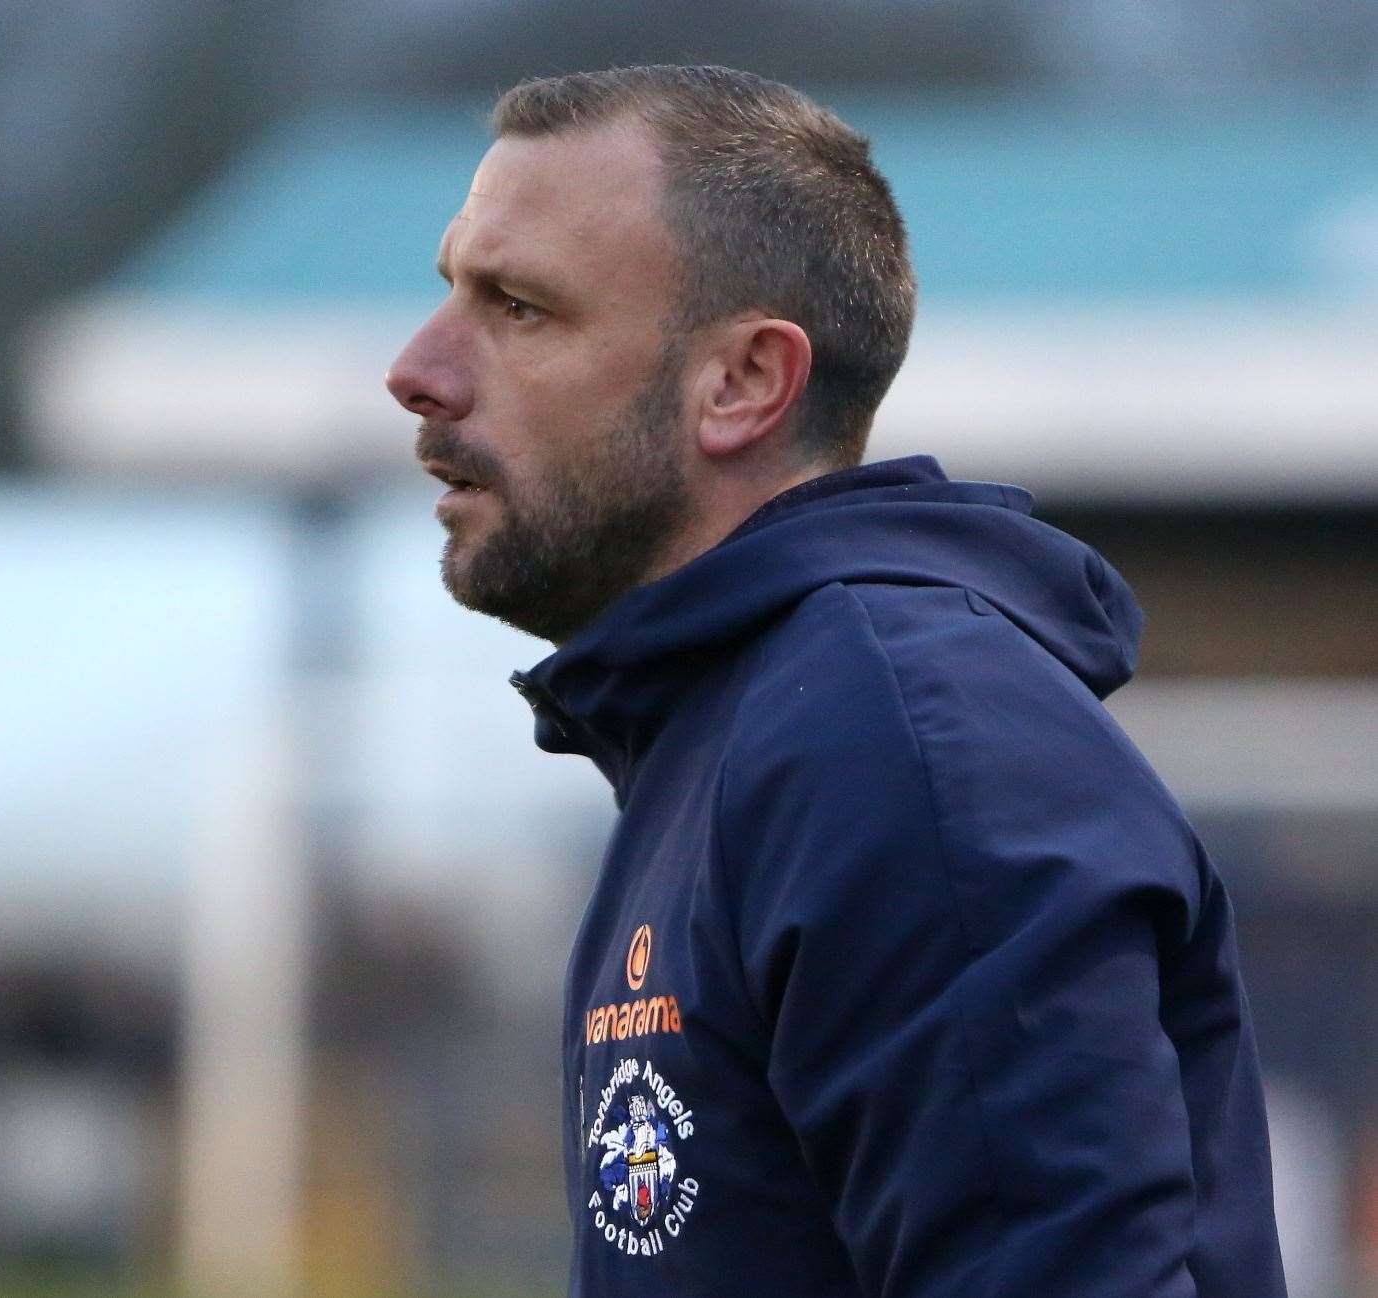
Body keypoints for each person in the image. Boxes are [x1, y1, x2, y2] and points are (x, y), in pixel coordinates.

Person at [385, 64, 1286, 1298]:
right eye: (450, 289)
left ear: (745, 381)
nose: (419, 368)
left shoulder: (903, 743)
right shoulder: (728, 724)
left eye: (519, 306)